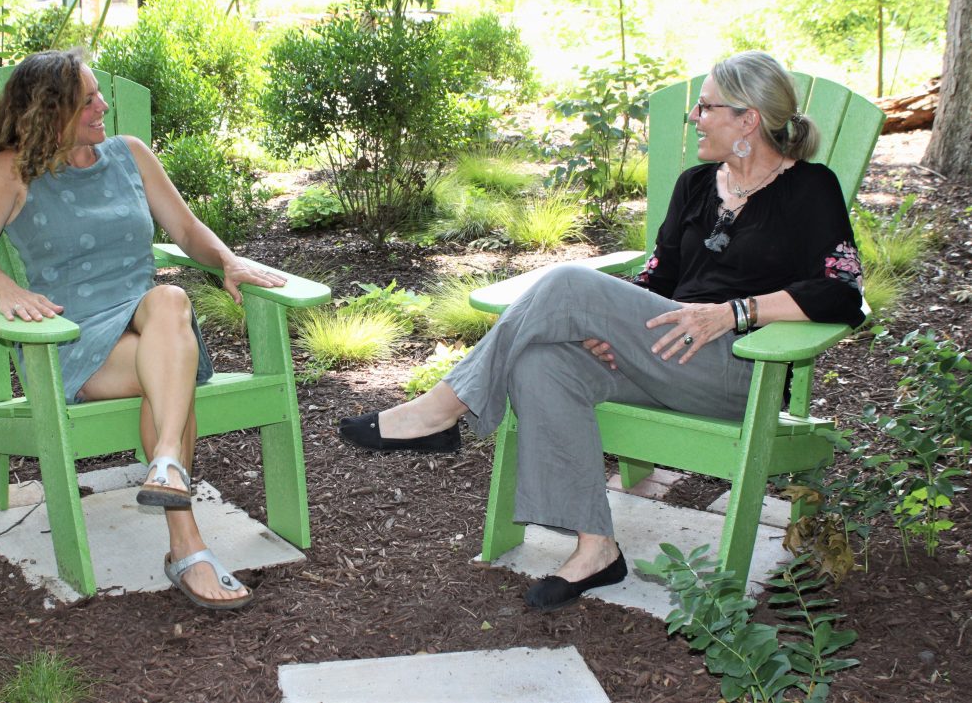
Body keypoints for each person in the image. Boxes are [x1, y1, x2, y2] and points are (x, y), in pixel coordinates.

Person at [338, 51, 865, 612]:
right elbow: (658, 279)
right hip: (662, 355)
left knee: (567, 280)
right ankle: (597, 549)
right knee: (541, 363)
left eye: (707, 106)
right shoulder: (695, 185)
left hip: (739, 369)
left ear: (748, 120)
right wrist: (605, 327)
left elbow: (842, 292)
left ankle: (441, 411)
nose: (694, 117)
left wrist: (734, 313)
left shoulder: (809, 188)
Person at [0, 49, 286, 611]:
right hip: (71, 338)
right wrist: (6, 290)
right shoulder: (11, 171)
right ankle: (184, 533)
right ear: (48, 112)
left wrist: (228, 259)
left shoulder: (130, 155)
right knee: (171, 370)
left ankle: (167, 474)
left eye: (100, 93)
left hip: (150, 323)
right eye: (87, 101)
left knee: (170, 299)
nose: (102, 105)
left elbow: (184, 227)